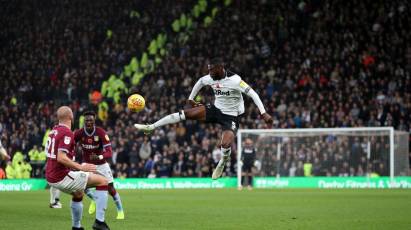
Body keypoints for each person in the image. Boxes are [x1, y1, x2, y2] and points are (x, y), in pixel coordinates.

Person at [134, 58, 273, 179]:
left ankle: (223, 161)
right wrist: (190, 99)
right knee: (185, 113)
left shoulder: (235, 80)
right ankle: (151, 126)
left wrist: (263, 113)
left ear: (220, 68)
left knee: (225, 144)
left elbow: (253, 94)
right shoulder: (209, 78)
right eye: (209, 70)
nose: (210, 73)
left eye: (212, 70)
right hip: (216, 109)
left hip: (231, 115)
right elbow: (200, 82)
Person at [45, 106, 110, 230]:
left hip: (51, 174)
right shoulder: (67, 132)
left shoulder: (54, 131)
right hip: (61, 176)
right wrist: (80, 167)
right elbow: (61, 157)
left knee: (79, 193)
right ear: (71, 117)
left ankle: (77, 227)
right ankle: (99, 222)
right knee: (103, 181)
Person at [74, 110, 125, 220]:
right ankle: (94, 199)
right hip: (87, 164)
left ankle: (120, 211)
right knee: (81, 186)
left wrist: (99, 157)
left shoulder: (101, 132)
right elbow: (70, 145)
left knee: (110, 188)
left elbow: (109, 151)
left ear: (94, 121)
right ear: (84, 121)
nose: (89, 123)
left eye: (91, 120)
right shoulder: (79, 133)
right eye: (86, 120)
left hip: (101, 164)